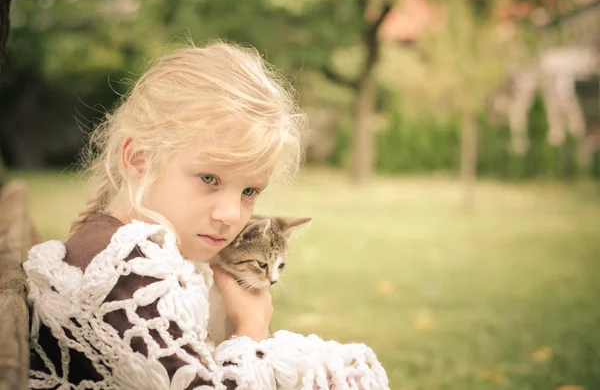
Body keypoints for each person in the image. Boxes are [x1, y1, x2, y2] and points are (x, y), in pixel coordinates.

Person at [23, 41, 390, 390]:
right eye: (209, 179)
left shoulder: (133, 247)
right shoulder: (125, 271)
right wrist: (252, 326)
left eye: (249, 192)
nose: (232, 215)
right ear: (139, 160)